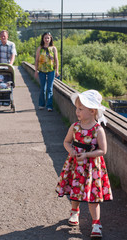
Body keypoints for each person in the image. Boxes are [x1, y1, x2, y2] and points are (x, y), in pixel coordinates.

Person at [56, 89, 113, 238]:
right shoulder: (75, 127)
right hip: (76, 165)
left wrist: (87, 154)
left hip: (92, 168)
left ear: (92, 111)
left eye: (81, 109)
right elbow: (66, 142)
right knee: (75, 190)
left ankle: (96, 223)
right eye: (77, 108)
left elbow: (103, 150)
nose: (77, 111)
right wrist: (71, 151)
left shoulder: (98, 130)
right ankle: (74, 212)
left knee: (93, 197)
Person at [35, 32, 59, 112]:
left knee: (50, 88)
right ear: (43, 39)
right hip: (41, 70)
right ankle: (41, 104)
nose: (47, 39)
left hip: (51, 70)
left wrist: (57, 70)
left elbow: (56, 60)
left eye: (48, 38)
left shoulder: (53, 48)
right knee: (42, 88)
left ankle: (49, 106)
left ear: (50, 39)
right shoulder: (40, 48)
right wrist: (36, 71)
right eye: (45, 38)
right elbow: (37, 60)